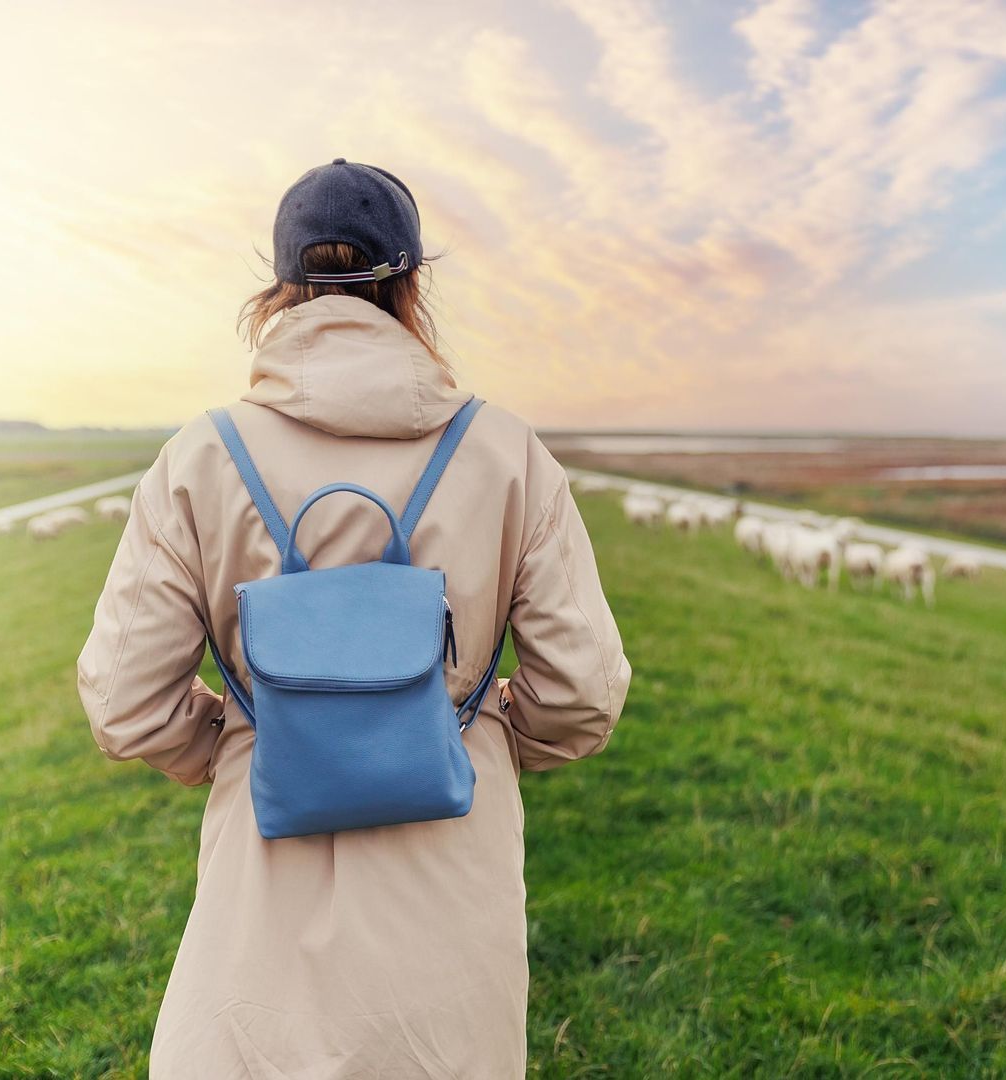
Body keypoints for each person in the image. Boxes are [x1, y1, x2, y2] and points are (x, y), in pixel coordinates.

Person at [77, 158, 631, 1078]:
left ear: (282, 289)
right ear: (410, 286)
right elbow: (584, 693)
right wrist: (464, 729)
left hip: (262, 893)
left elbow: (125, 702)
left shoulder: (200, 457)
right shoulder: (507, 452)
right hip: (451, 901)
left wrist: (242, 734)